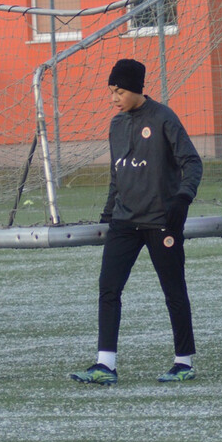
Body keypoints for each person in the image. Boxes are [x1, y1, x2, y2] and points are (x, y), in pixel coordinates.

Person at [69, 59, 204, 386]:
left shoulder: (163, 118)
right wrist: (107, 213)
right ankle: (106, 364)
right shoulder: (116, 125)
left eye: (121, 91)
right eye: (112, 91)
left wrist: (182, 200)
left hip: (161, 222)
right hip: (124, 222)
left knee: (173, 290)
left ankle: (183, 361)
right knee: (108, 288)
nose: (114, 97)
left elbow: (193, 163)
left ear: (137, 89)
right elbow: (117, 175)